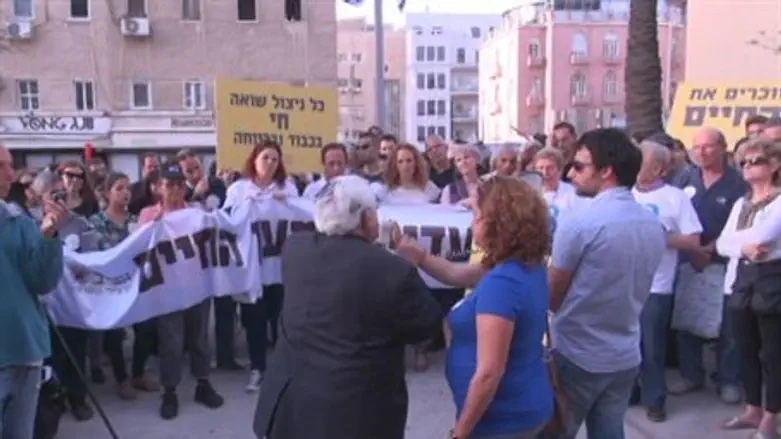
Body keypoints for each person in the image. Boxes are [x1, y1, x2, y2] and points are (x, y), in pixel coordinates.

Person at [253, 175, 442, 439]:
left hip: (290, 410)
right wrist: (408, 264)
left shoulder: (295, 248)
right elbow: (427, 326)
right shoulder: (391, 271)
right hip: (353, 419)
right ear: (366, 219)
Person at [399, 176, 554, 439]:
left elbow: (488, 374)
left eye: (478, 217)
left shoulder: (501, 284)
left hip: (502, 421)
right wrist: (421, 257)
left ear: (500, 224)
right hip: (523, 407)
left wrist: (459, 433)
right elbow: (457, 274)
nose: (472, 224)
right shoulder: (527, 264)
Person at [547, 128, 666, 439]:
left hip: (578, 354)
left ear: (606, 171)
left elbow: (552, 297)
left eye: (579, 167)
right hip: (624, 353)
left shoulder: (579, 223)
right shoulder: (652, 223)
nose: (570, 174)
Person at [141, 162, 224, 420]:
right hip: (168, 293)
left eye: (179, 185)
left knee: (199, 338)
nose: (175, 190)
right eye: (169, 185)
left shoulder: (197, 212)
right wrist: (151, 228)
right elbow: (137, 250)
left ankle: (202, 383)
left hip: (197, 287)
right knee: (171, 343)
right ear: (159, 188)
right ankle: (170, 390)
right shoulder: (148, 214)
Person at [630, 140, 703, 422]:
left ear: (659, 168)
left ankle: (654, 399)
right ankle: (631, 391)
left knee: (652, 345)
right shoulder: (625, 194)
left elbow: (694, 240)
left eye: (642, 160)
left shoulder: (676, 198)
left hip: (656, 285)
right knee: (628, 344)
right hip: (623, 285)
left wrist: (659, 236)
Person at [0, 145, 67, 439]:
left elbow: (43, 281)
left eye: (10, 165)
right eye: (1, 165)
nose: (10, 174)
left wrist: (49, 237)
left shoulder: (19, 222)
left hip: (22, 351)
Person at [716, 138, 781, 439]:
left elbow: (764, 236)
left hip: (772, 279)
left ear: (775, 165)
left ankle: (772, 415)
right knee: (746, 349)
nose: (747, 167)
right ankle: (752, 408)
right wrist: (744, 247)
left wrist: (737, 244)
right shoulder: (741, 203)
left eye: (755, 161)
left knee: (772, 352)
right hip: (741, 278)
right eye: (743, 162)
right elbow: (721, 243)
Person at [90, 172, 159, 398]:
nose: (125, 193)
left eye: (127, 188)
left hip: (136, 286)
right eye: (119, 188)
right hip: (110, 287)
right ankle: (121, 379)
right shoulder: (96, 222)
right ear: (107, 192)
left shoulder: (136, 221)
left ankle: (138, 373)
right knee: (115, 336)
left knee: (146, 330)